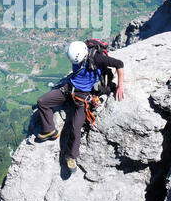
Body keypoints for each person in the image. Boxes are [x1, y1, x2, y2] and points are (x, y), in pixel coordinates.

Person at [37, 41, 124, 173]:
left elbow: (119, 64)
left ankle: (71, 156)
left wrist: (120, 86)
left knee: (75, 127)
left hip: (84, 96)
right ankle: (49, 130)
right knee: (42, 101)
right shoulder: (77, 54)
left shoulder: (97, 58)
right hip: (70, 88)